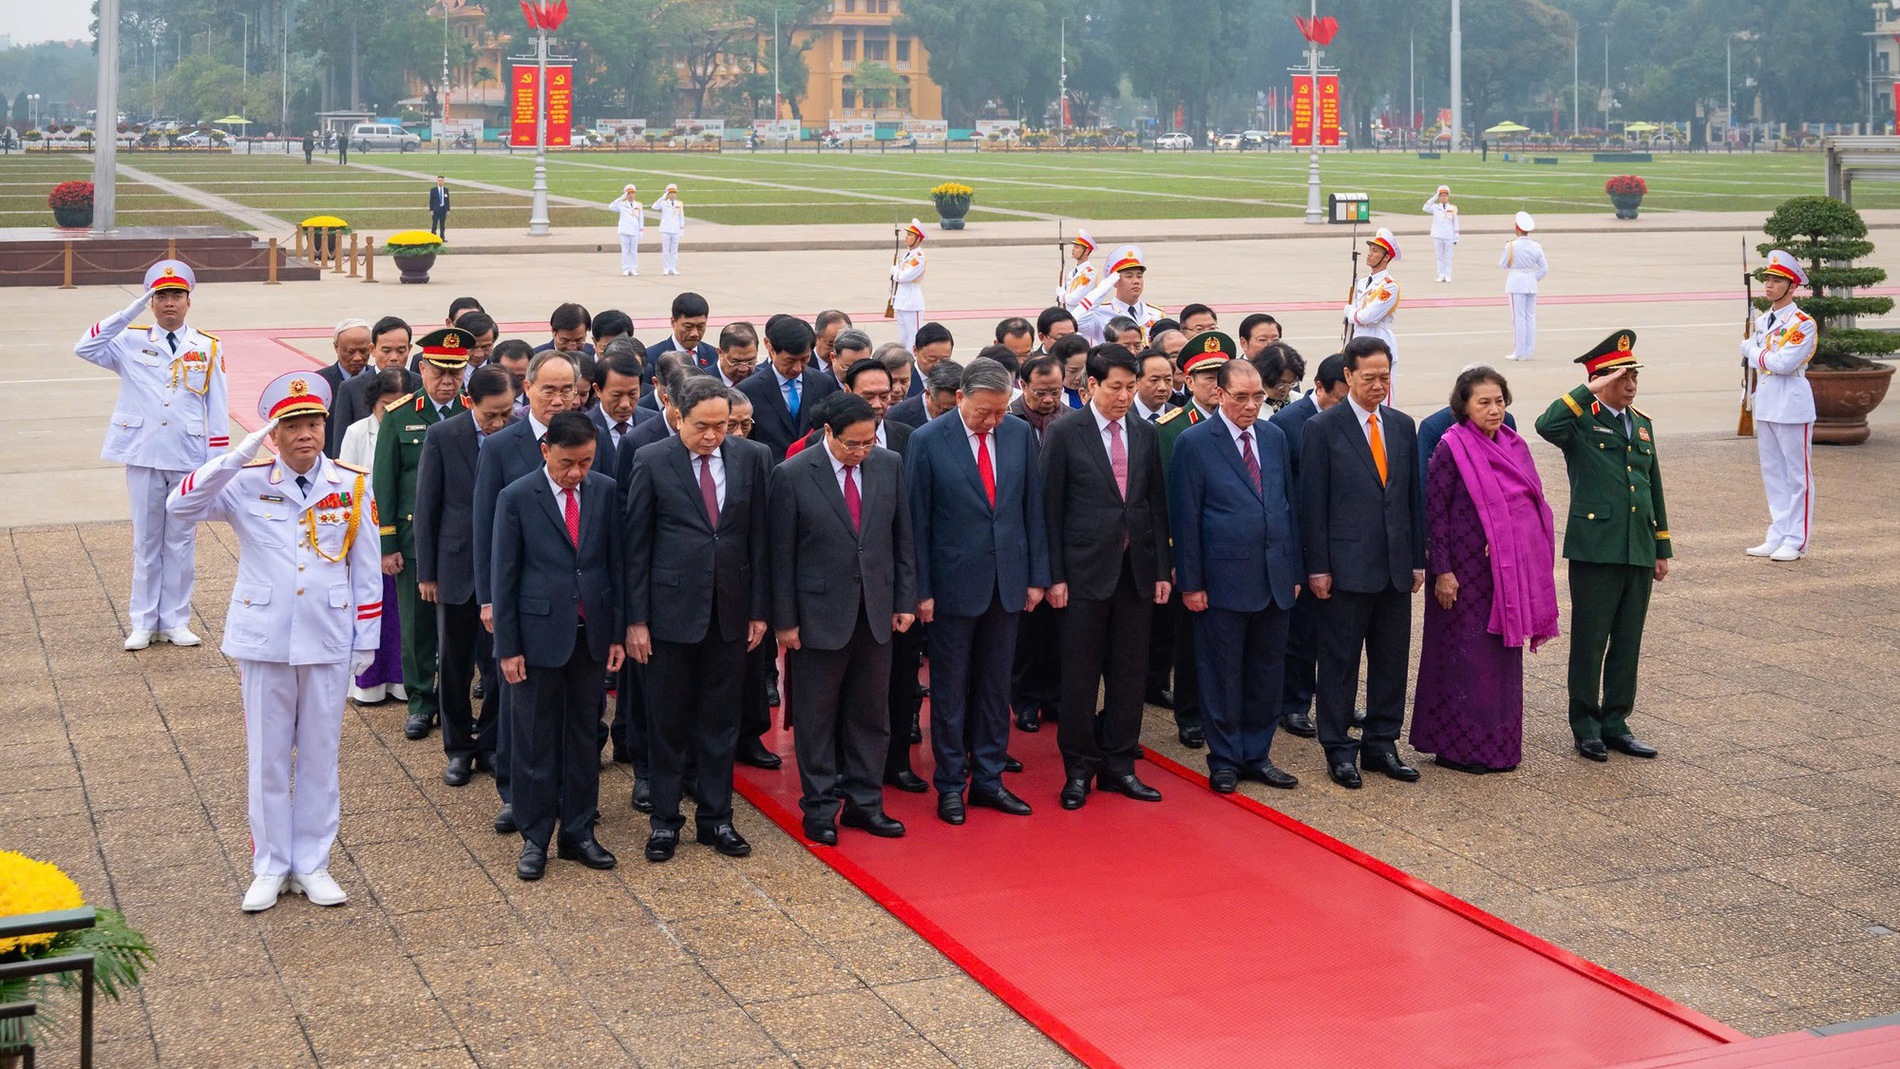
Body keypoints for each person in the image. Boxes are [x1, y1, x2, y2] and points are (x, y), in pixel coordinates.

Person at [168, 372, 382, 912]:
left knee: (320, 757)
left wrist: (367, 639)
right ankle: (269, 865)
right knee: (266, 758)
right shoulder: (245, 481)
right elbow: (180, 506)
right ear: (274, 433)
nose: (305, 434)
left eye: (313, 423)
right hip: (264, 638)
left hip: (328, 636)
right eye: (292, 425)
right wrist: (236, 456)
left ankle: (312, 863)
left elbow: (367, 568)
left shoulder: (351, 483)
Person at [623, 376, 773, 862]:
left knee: (721, 723)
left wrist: (759, 610)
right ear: (677, 416)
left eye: (721, 426)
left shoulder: (752, 458)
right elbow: (635, 546)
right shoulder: (651, 459)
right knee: (667, 722)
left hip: (729, 613)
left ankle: (717, 818)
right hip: (669, 616)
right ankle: (665, 821)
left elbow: (759, 539)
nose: (712, 436)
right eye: (701, 426)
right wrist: (636, 620)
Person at [907, 357, 1050, 825]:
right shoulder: (928, 440)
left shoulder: (1018, 434)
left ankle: (989, 778)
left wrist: (1036, 576)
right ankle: (951, 783)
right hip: (951, 586)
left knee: (995, 688)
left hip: (1007, 581)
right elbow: (917, 522)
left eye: (1000, 411)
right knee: (950, 691)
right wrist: (921, 590)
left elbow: (1031, 509)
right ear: (959, 397)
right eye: (983, 411)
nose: (992, 420)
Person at [769, 393, 917, 843]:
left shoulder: (888, 464)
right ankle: (818, 807)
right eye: (853, 444)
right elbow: (780, 554)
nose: (862, 451)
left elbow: (902, 538)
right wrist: (785, 621)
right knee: (816, 718)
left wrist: (904, 601)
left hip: (875, 611)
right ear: (828, 433)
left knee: (871, 714)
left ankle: (865, 803)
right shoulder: (793, 473)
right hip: (817, 615)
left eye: (869, 442)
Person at [492, 411, 623, 880]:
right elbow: (504, 576)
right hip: (537, 637)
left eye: (586, 462)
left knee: (585, 736)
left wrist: (616, 633)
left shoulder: (605, 491)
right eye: (567, 462)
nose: (576, 473)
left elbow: (616, 564)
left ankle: (579, 832)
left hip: (590, 635)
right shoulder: (516, 496)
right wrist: (508, 647)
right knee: (534, 739)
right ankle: (535, 836)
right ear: (545, 450)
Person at [76, 259, 229, 651]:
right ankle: (143, 622)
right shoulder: (128, 341)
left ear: (189, 301)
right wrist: (130, 310)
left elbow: (217, 407)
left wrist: (217, 464)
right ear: (151, 301)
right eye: (160, 296)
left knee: (181, 541)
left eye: (176, 295)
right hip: (143, 452)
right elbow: (85, 346)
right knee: (146, 543)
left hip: (187, 455)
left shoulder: (207, 346)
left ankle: (176, 620)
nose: (169, 303)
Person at [1042, 345, 1172, 808]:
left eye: (1130, 387)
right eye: (1115, 387)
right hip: (1082, 575)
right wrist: (1054, 575)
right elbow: (1049, 509)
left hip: (1134, 574)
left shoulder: (1144, 431)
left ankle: (1120, 765)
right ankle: (1078, 768)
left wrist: (1161, 569)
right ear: (1090, 385)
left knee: (1129, 675)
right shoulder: (1064, 432)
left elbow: (1154, 505)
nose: (1123, 396)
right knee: (1080, 677)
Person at [1412, 367, 1558, 775]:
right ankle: (1456, 749)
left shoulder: (1512, 445)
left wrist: (1513, 538)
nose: (1494, 410)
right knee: (1463, 659)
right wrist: (1442, 571)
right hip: (1461, 576)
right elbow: (1435, 513)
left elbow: (1529, 504)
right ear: (1464, 407)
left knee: (1501, 661)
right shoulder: (1451, 446)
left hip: (1504, 574)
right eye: (1484, 403)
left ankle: (1500, 747)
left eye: (1499, 401)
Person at [1534, 330, 1669, 763]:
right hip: (1596, 547)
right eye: (1621, 377)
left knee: (1628, 640)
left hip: (1637, 546)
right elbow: (1545, 424)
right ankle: (1586, 726)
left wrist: (1661, 547)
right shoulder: (1579, 421)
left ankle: (1616, 723)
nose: (1630, 385)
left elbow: (1652, 486)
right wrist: (1587, 389)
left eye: (1634, 377)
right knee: (1590, 641)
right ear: (1600, 379)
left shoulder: (1642, 423)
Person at [1171, 356, 1304, 794]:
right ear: (1220, 394)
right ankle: (1225, 758)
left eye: (1257, 397)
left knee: (1267, 673)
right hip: (1222, 582)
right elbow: (1186, 518)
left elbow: (1287, 506)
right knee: (1222, 674)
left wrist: (1294, 568)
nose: (1250, 406)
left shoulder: (1274, 436)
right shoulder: (1194, 442)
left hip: (1274, 578)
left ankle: (1257, 754)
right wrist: (1192, 583)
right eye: (1241, 397)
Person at [1300, 335, 1425, 790]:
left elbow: (1411, 497)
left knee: (1391, 661)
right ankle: (1338, 747)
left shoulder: (1401, 425)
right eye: (1369, 377)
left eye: (1384, 377)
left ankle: (1381, 742)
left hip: (1394, 567)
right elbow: (1312, 503)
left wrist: (1416, 559)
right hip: (1345, 568)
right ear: (1348, 375)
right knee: (1340, 662)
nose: (1377, 385)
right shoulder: (1322, 428)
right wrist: (1317, 567)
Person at [473, 352, 590, 834]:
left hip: (577, 604)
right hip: (522, 600)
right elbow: (486, 526)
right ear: (528, 390)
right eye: (549, 390)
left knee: (576, 714)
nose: (559, 399)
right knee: (518, 704)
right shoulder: (504, 445)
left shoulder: (588, 439)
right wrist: (489, 598)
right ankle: (513, 792)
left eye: (568, 391)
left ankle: (569, 796)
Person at [416, 365, 514, 788]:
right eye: (491, 415)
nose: (499, 423)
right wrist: (427, 572)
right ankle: (458, 748)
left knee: (498, 665)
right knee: (454, 665)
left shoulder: (517, 435)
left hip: (501, 566)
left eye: (506, 413)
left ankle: (490, 742)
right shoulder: (443, 435)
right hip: (455, 567)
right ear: (470, 402)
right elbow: (427, 505)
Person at [375, 328, 470, 741]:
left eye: (456, 372)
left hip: (461, 539)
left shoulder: (472, 411)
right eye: (439, 372)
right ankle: (419, 702)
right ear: (423, 368)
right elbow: (384, 484)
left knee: (459, 627)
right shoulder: (400, 415)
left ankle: (453, 701)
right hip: (414, 537)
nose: (447, 381)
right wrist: (389, 544)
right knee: (417, 627)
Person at [1152, 336, 1231, 748]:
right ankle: (1191, 713)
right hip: (1190, 550)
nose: (1215, 384)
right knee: (1191, 639)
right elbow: (1165, 500)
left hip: (1232, 551)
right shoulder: (1170, 429)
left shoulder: (1246, 424)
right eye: (1207, 377)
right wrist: (1172, 556)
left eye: (1221, 376)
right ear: (1189, 380)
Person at [1268, 352, 1348, 740]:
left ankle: (1335, 700)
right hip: (1302, 540)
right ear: (1319, 388)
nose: (1345, 406)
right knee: (1301, 632)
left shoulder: (1356, 418)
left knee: (1338, 631)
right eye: (1339, 398)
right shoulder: (1287, 423)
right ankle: (1293, 704)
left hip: (1342, 539)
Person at [338, 368, 410, 705]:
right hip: (367, 532)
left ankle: (403, 682)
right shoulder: (357, 433)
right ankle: (368, 684)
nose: (393, 412)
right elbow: (345, 484)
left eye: (401, 404)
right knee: (371, 607)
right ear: (372, 403)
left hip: (404, 530)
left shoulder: (417, 429)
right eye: (386, 406)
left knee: (402, 615)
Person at [1743, 249, 1818, 562]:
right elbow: (1766, 363)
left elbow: (1784, 364)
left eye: (1777, 280)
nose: (1769, 285)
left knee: (1798, 476)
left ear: (1792, 286)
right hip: (1767, 402)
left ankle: (1797, 540)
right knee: (1773, 473)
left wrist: (1752, 351)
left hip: (1792, 405)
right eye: (1768, 279)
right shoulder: (1762, 321)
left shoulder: (1803, 324)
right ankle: (1778, 533)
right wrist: (1756, 354)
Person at [737, 315, 840, 461]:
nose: (797, 368)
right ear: (771, 349)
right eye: (789, 360)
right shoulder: (749, 390)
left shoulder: (823, 383)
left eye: (804, 360)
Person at [330, 317, 419, 435]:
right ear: (372, 349)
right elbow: (342, 440)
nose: (394, 357)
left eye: (401, 351)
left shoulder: (420, 384)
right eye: (386, 351)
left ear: (409, 348)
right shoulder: (351, 388)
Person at [1077, 245, 1164, 344]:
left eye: (1139, 276)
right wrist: (1101, 291)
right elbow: (1078, 322)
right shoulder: (1100, 313)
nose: (1136, 281)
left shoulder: (1156, 314)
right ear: (1115, 281)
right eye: (1129, 276)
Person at [1344, 229, 1401, 366]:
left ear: (1386, 257)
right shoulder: (1361, 282)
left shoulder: (1389, 286)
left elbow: (1368, 316)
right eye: (1370, 250)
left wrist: (1350, 312)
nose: (1369, 254)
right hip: (1358, 341)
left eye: (1375, 251)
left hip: (1379, 342)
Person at [318, 318, 374, 453]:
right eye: (350, 351)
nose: (357, 357)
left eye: (363, 351)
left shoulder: (380, 380)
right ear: (336, 347)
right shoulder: (320, 383)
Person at [1501, 212, 1547, 361]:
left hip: (1516, 283)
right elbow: (1544, 268)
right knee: (1530, 318)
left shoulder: (1511, 245)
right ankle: (1528, 351)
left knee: (1518, 318)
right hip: (1531, 283)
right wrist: (1532, 278)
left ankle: (1519, 353)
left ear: (1517, 228)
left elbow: (1503, 264)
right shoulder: (1536, 246)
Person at [647, 291, 716, 373]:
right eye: (688, 327)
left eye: (700, 326)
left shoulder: (714, 356)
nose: (695, 334)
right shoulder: (652, 357)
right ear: (673, 322)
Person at [887, 357, 960, 428]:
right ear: (928, 395)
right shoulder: (895, 418)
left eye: (958, 410)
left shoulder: (964, 417)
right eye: (946, 411)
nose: (953, 416)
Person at [891, 219, 928, 354]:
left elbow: (905, 277)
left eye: (910, 235)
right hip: (902, 301)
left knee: (914, 338)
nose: (906, 238)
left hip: (912, 302)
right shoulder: (908, 255)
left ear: (918, 239)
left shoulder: (919, 257)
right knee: (903, 338)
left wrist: (895, 272)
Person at [1252, 342, 1306, 413]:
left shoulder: (1301, 403)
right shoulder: (1251, 407)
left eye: (1292, 384)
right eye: (1281, 384)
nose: (1286, 390)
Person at [1056, 228, 1099, 310]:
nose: (1073, 249)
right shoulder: (1072, 272)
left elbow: (1074, 300)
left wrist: (1061, 294)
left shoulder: (1089, 273)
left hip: (1083, 316)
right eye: (1073, 247)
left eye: (1077, 247)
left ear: (1086, 251)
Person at [1423, 185, 1459, 282]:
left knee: (1449, 257)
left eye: (1445, 196)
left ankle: (1448, 275)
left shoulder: (1453, 208)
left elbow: (1455, 223)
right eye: (1441, 196)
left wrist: (1456, 237)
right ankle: (1441, 275)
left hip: (1449, 235)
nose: (1443, 198)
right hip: (1438, 234)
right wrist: (1435, 196)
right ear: (1439, 197)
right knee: (1440, 257)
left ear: (1448, 196)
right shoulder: (1435, 207)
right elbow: (1425, 208)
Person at [608, 184, 644, 275]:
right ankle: (626, 269)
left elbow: (641, 219)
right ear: (626, 194)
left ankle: (633, 268)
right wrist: (621, 198)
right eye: (629, 193)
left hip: (634, 230)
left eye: (632, 193)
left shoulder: (638, 205)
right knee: (625, 251)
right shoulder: (621, 204)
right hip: (624, 230)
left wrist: (641, 231)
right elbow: (611, 207)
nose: (631, 195)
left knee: (633, 251)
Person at [1133, 348, 1176, 422]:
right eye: (1154, 380)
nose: (1163, 388)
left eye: (1168, 380)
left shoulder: (1179, 417)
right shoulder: (1122, 415)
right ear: (1136, 381)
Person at [715, 322, 761, 387]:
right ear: (720, 353)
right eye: (737, 362)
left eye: (750, 361)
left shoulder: (766, 381)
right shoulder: (703, 381)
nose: (744, 369)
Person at [653, 183, 685, 275]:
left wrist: (681, 230)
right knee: (666, 250)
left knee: (674, 250)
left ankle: (673, 268)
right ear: (667, 194)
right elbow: (654, 207)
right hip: (666, 229)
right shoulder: (663, 203)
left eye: (674, 193)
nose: (673, 195)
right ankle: (666, 268)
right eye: (670, 193)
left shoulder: (679, 203)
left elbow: (681, 217)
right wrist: (662, 197)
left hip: (675, 229)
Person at [814, 309, 854, 374]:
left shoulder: (855, 366)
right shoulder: (802, 366)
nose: (836, 351)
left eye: (843, 345)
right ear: (816, 339)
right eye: (830, 345)